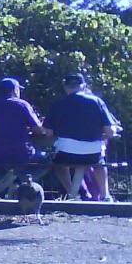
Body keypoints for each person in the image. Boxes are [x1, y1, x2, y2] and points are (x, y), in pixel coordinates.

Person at [43, 73, 121, 202]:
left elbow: (48, 132)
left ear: (65, 87)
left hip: (66, 153)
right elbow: (110, 131)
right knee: (99, 165)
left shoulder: (57, 104)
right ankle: (105, 195)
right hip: (92, 153)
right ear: (83, 86)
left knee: (60, 166)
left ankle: (73, 195)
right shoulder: (96, 101)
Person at [0, 77, 48, 197]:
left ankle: (12, 183)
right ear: (15, 90)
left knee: (6, 167)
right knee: (48, 162)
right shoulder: (21, 104)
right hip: (21, 153)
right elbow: (38, 130)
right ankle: (19, 180)